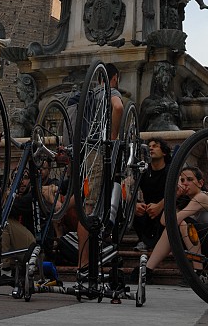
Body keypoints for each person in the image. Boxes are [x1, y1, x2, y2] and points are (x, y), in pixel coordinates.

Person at [131, 166, 208, 284]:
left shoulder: (202, 197)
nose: (185, 183)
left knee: (181, 224)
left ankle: (199, 273)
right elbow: (164, 222)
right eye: (182, 180)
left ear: (200, 183)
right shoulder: (187, 201)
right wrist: (174, 196)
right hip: (205, 249)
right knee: (172, 228)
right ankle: (148, 270)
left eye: (190, 180)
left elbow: (173, 221)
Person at [76, 63, 124, 271]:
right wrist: (113, 136)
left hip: (84, 152)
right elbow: (119, 107)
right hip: (98, 152)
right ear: (115, 78)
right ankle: (84, 262)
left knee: (86, 202)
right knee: (90, 207)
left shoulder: (87, 94)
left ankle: (86, 260)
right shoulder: (110, 91)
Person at [133, 138, 171, 252]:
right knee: (133, 209)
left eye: (155, 146)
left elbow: (177, 192)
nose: (151, 148)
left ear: (164, 152)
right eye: (149, 146)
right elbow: (127, 187)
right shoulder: (143, 171)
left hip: (166, 209)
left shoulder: (170, 170)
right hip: (148, 211)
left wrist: (160, 206)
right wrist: (134, 204)